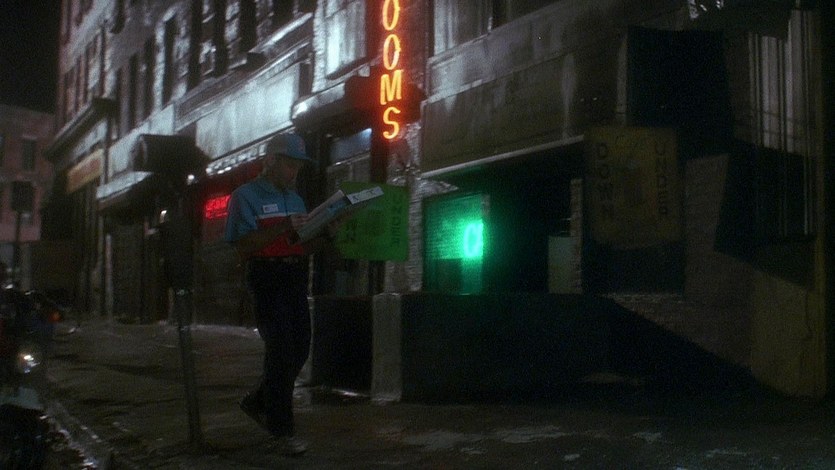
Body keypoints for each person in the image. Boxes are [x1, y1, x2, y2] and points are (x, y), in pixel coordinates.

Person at [224, 132, 332, 456]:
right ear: (271, 160)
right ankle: (282, 431)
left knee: (300, 347)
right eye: (289, 165)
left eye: (298, 166)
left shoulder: (295, 199)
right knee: (280, 349)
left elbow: (300, 245)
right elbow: (244, 245)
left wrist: (326, 233)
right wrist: (284, 225)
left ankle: (258, 401)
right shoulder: (245, 197)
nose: (294, 172)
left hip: (294, 276)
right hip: (267, 277)